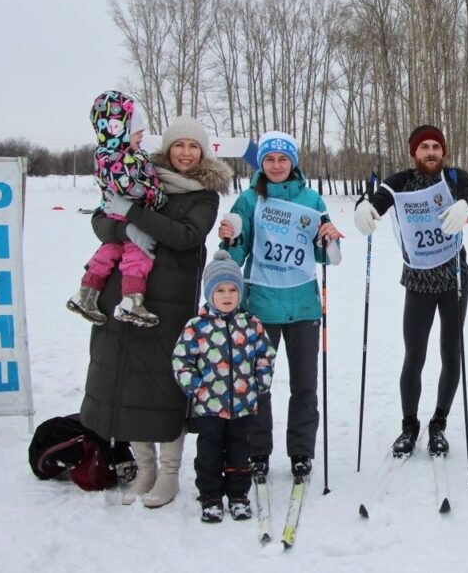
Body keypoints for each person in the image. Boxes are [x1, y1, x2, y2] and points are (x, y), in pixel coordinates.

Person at [80, 116, 233, 508]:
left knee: (164, 384)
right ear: (167, 149)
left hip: (170, 301)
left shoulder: (205, 193)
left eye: (193, 147)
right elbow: (102, 220)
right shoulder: (138, 176)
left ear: (202, 153)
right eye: (178, 145)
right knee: (130, 377)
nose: (185, 153)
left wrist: (134, 216)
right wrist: (126, 230)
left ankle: (168, 473)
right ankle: (144, 466)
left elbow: (186, 236)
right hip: (126, 293)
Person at [218, 131, 343, 479]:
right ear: (262, 163)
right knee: (258, 383)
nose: (276, 166)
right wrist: (229, 237)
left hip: (303, 306)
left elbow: (327, 256)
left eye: (282, 159)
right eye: (270, 160)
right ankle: (258, 450)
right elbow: (236, 253)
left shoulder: (312, 200)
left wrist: (329, 238)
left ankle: (301, 451)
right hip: (260, 303)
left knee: (304, 385)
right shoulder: (248, 200)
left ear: (293, 162)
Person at [353, 125, 468, 457]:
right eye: (425, 146)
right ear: (414, 152)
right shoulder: (401, 180)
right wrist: (366, 207)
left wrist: (466, 206)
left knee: (451, 353)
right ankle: (410, 425)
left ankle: (439, 423)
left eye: (437, 146)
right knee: (415, 355)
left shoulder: (454, 176)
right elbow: (381, 198)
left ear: (444, 151)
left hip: (454, 279)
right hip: (419, 282)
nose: (432, 151)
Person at [172, 250, 276, 523]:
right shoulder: (197, 326)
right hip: (210, 405)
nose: (227, 296)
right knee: (209, 452)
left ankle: (239, 496)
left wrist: (261, 381)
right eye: (220, 290)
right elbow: (181, 358)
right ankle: (211, 497)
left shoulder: (250, 324)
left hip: (243, 404)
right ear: (209, 293)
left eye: (232, 289)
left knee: (241, 452)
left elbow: (265, 355)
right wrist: (195, 386)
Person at [67, 90, 168, 327]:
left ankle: (86, 293)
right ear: (118, 129)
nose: (142, 133)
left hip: (116, 213)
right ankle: (132, 300)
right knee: (138, 256)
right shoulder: (115, 158)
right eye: (137, 129)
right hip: (126, 213)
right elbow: (131, 186)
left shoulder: (124, 155)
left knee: (109, 252)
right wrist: (156, 194)